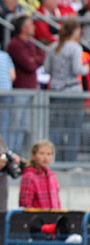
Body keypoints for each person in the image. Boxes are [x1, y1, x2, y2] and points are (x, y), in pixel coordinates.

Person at [44, 19, 89, 163]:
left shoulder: (53, 46)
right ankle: (69, 162)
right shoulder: (75, 47)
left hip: (56, 91)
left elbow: (47, 69)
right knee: (73, 129)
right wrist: (86, 68)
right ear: (75, 31)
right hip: (72, 92)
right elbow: (77, 69)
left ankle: (50, 160)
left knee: (56, 128)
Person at [6, 14, 45, 155]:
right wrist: (34, 60)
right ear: (23, 28)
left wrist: (35, 59)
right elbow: (28, 64)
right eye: (31, 24)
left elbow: (40, 57)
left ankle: (21, 154)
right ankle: (12, 152)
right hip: (20, 90)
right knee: (15, 124)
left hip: (31, 90)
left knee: (26, 125)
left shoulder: (30, 43)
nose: (34, 27)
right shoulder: (15, 44)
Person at [19, 139, 61, 208]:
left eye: (49, 154)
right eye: (41, 153)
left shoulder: (52, 176)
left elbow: (57, 202)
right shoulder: (29, 176)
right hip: (37, 217)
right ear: (33, 155)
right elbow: (25, 204)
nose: (45, 158)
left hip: (53, 216)